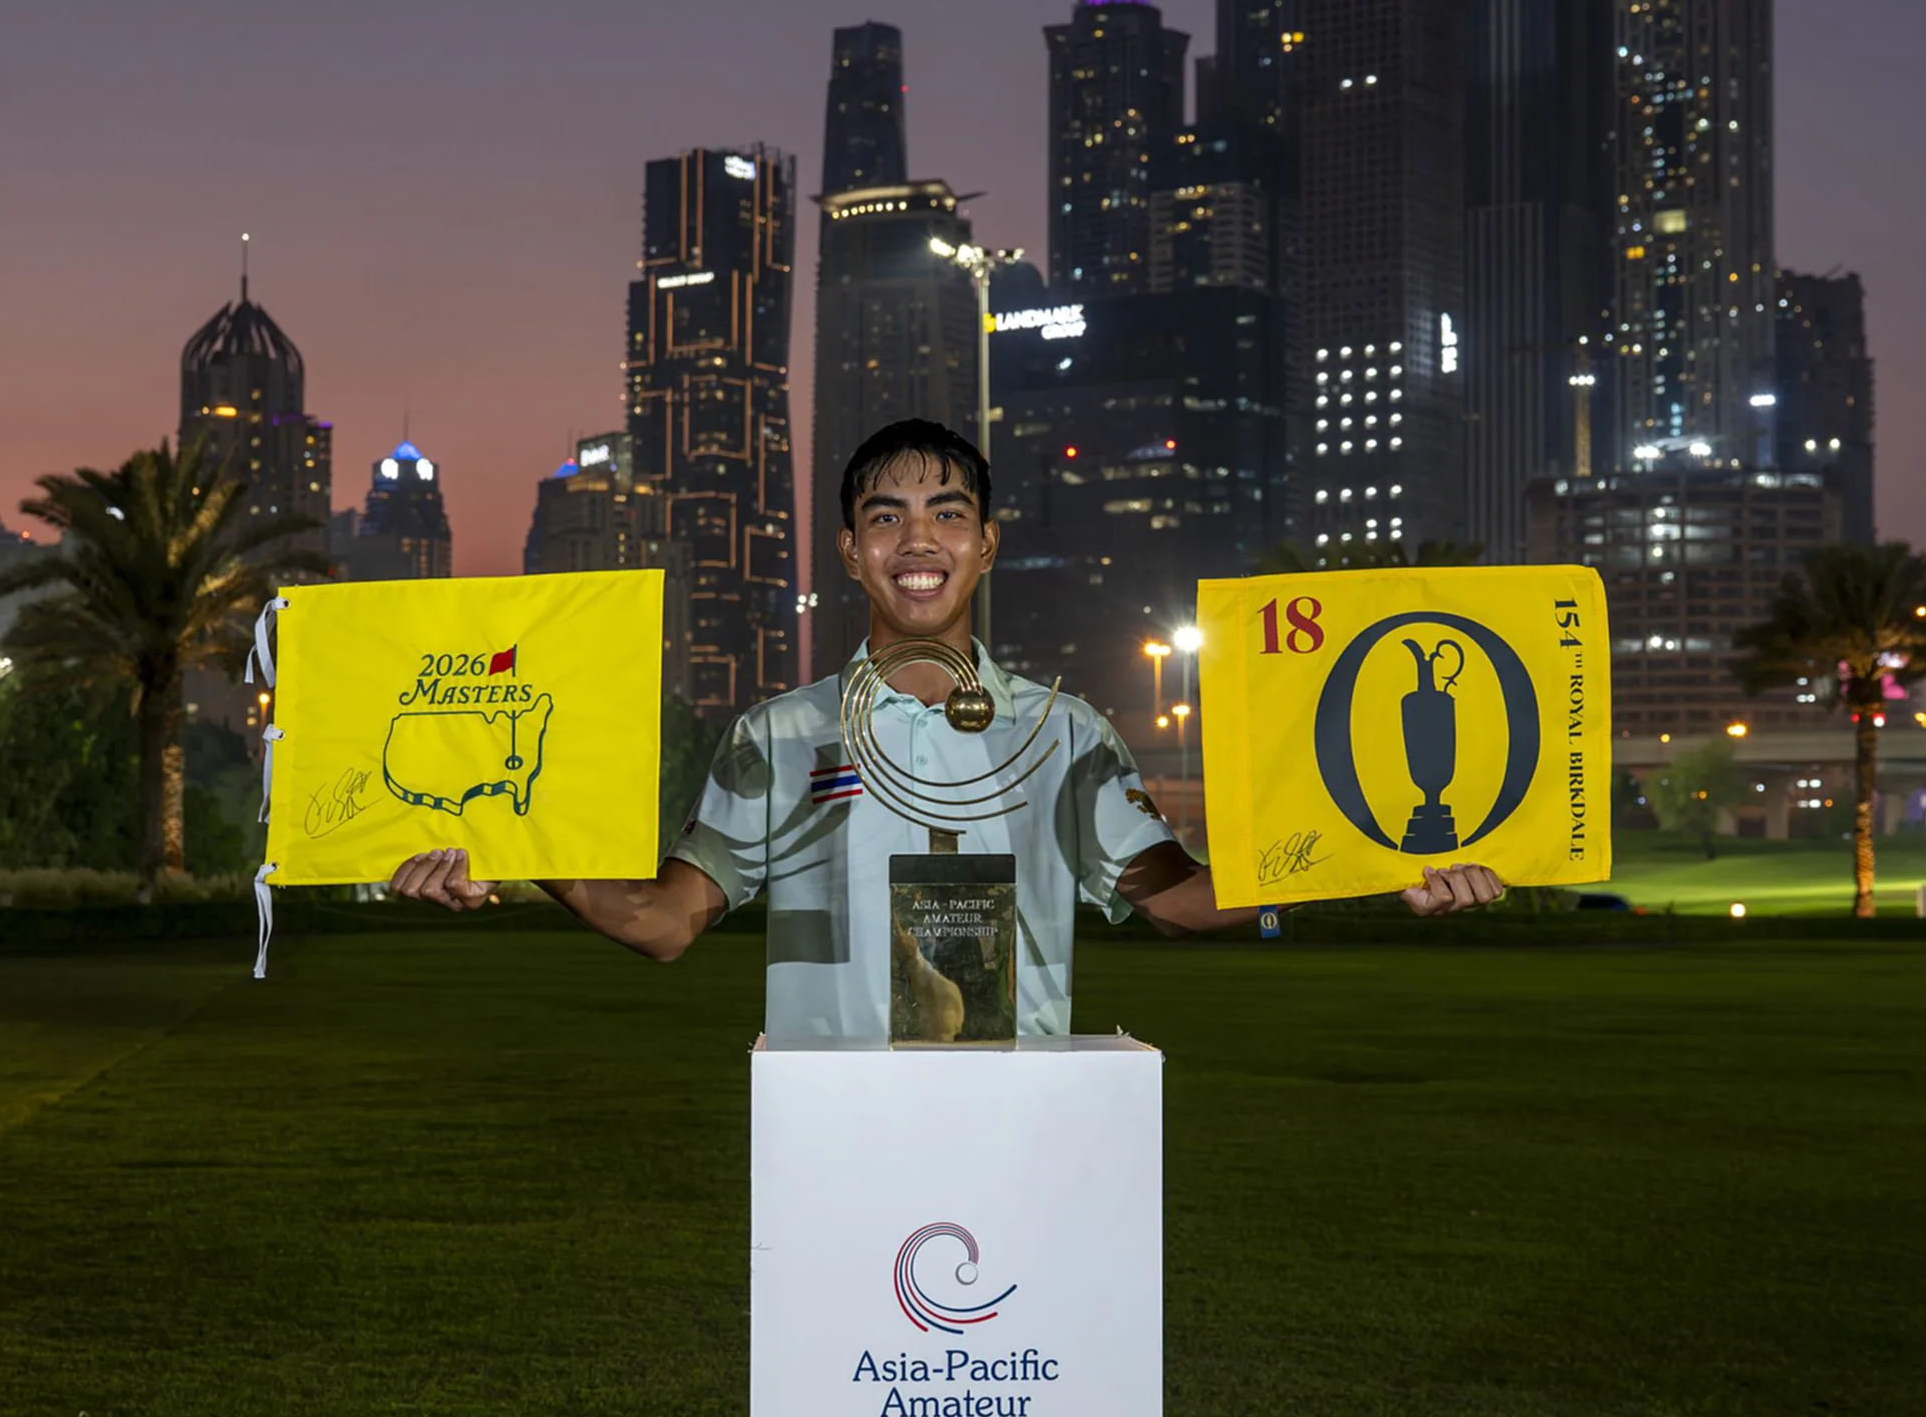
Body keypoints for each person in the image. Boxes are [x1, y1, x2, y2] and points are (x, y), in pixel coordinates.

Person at [390, 420, 1504, 1034]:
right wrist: (515, 848)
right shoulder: (777, 737)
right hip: (828, 1122)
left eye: (945, 514)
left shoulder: (1066, 735)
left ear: (985, 545)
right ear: (848, 552)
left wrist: (1385, 861)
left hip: (1023, 1122)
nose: (915, 539)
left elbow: (1183, 901)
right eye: (885, 517)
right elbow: (661, 923)